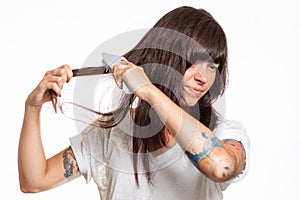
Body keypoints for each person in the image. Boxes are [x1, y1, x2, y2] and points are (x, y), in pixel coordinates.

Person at [18, 6, 250, 200]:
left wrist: (149, 91)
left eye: (212, 67)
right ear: (165, 58)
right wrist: (32, 108)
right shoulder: (113, 134)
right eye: (192, 62)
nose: (203, 77)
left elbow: (222, 167)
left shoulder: (223, 132)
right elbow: (34, 181)